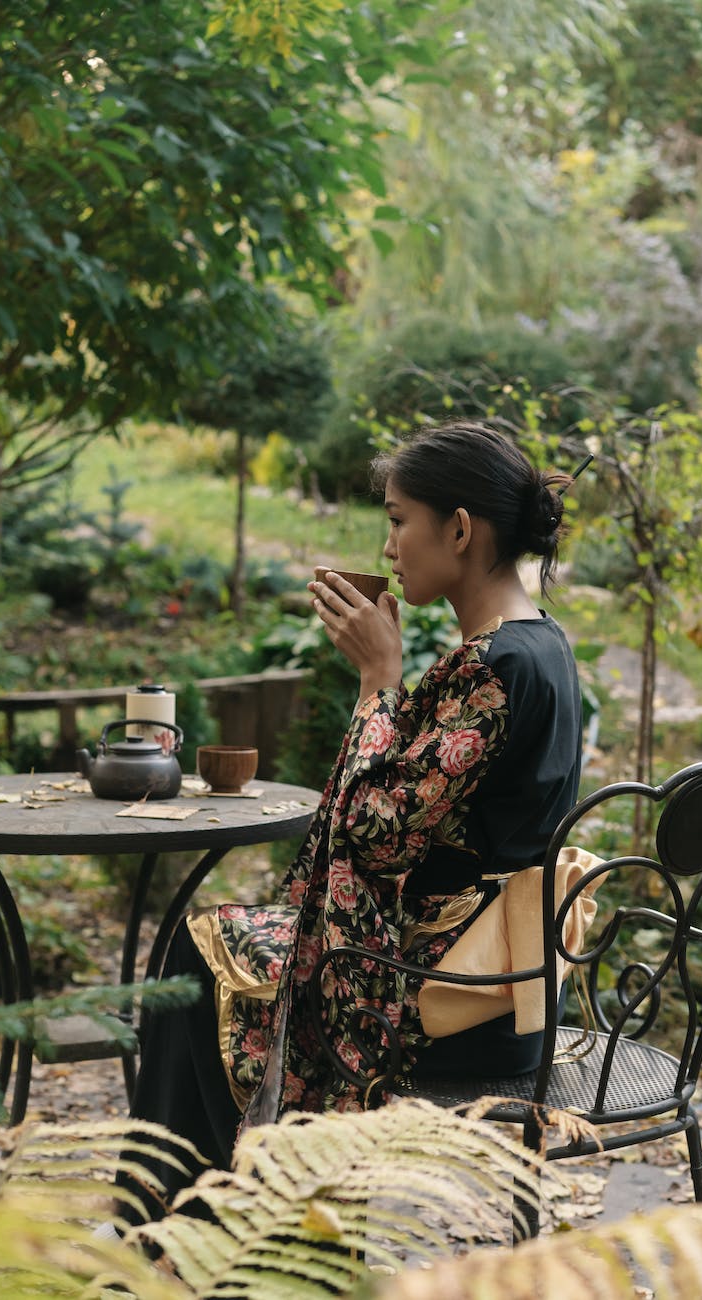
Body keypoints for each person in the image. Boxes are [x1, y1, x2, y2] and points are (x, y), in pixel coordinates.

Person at [119, 420, 584, 1225]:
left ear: (461, 530)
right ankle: (205, 1220)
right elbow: (411, 809)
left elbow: (376, 832)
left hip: (443, 998)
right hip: (496, 983)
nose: (391, 543)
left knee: (196, 954)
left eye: (400, 519)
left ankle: (179, 1226)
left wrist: (377, 678)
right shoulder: (538, 646)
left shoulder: (495, 666)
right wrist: (389, 684)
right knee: (209, 942)